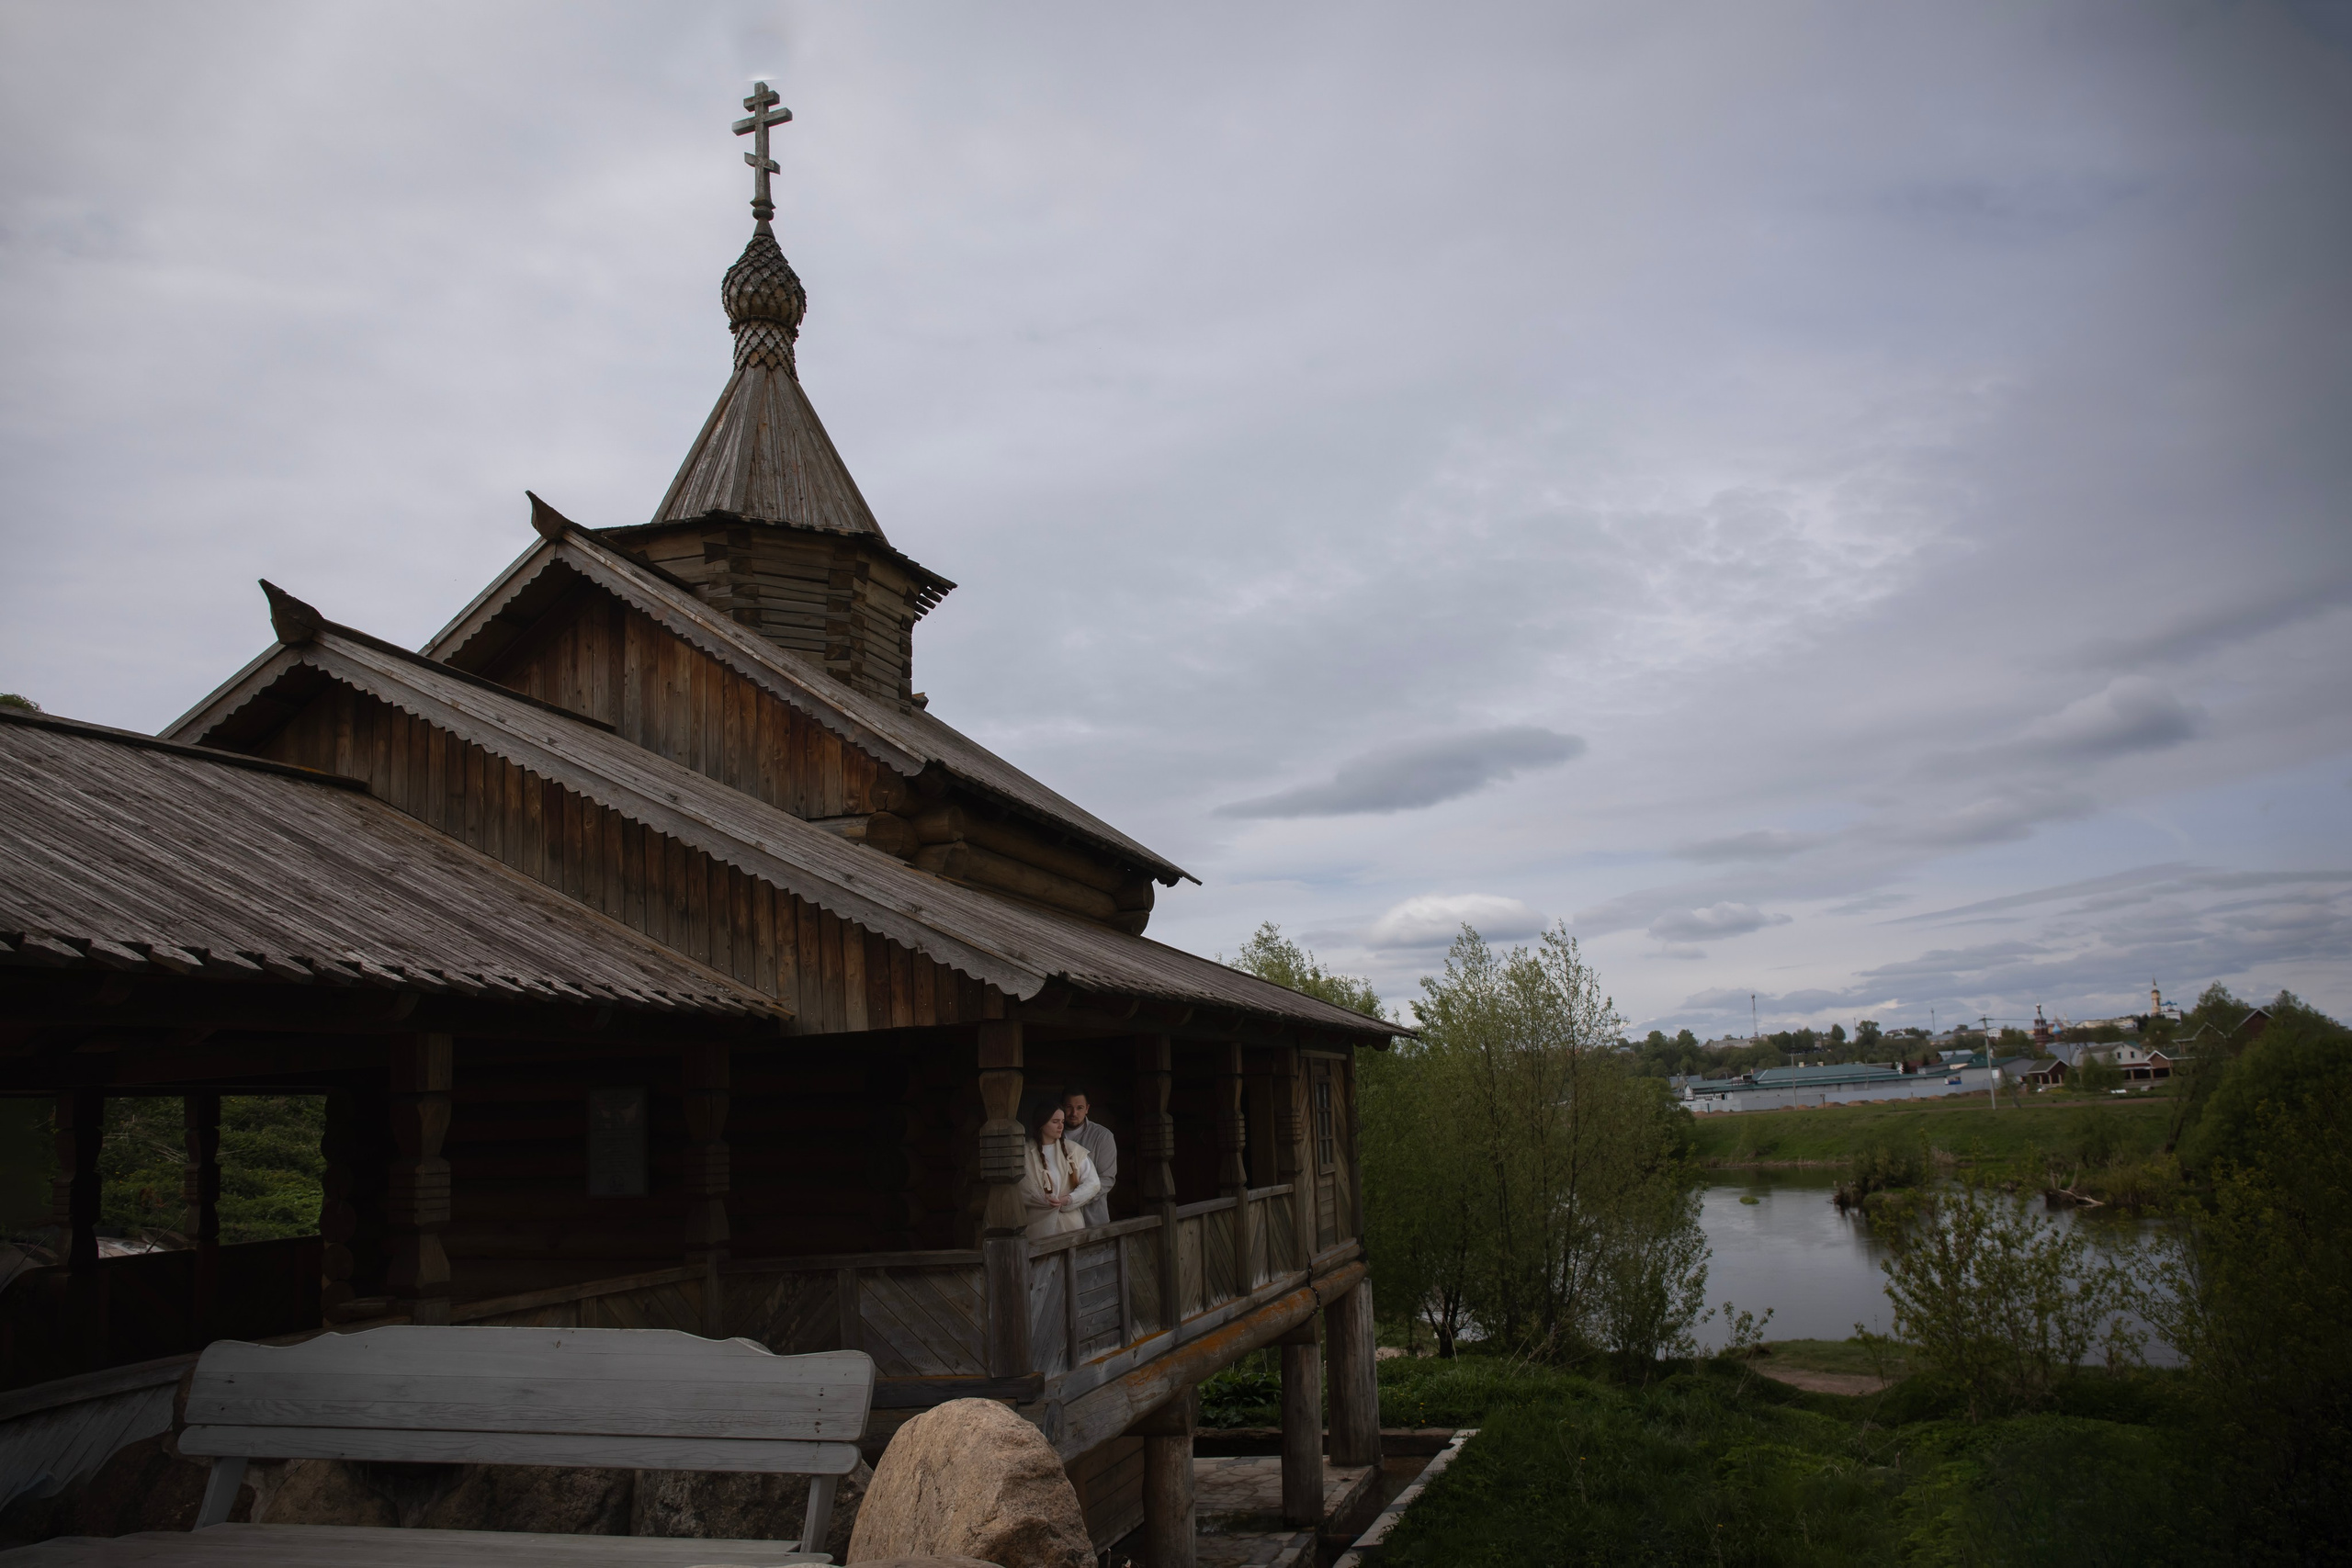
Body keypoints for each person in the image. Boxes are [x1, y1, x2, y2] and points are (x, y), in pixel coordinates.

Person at [1019, 1105, 1101, 1242]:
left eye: (1062, 1122)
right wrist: (1042, 1198)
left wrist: (1070, 1199)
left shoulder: (1072, 1150)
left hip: (1071, 1228)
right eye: (1055, 1121)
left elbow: (1093, 1183)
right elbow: (1019, 1189)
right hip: (1038, 1230)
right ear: (1041, 1124)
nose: (1060, 1126)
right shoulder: (1025, 1155)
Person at [1061, 1089, 1118, 1230]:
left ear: (1087, 1109)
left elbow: (1106, 1179)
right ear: (1062, 1107)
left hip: (1093, 1220)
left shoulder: (1102, 1136)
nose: (1074, 1113)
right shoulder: (1052, 1134)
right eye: (1069, 1107)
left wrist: (1074, 1200)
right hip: (1061, 1222)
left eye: (1079, 1108)